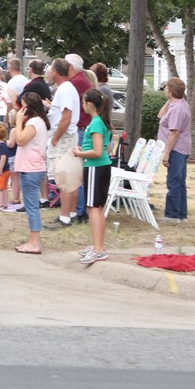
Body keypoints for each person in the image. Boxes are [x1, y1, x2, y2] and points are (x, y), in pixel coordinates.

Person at [73, 89, 113, 265]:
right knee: (97, 208)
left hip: (95, 167)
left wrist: (79, 154)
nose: (82, 105)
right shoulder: (100, 122)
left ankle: (98, 249)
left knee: (93, 208)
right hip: (101, 167)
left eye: (83, 102)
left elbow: (98, 151)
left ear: (90, 104)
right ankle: (99, 246)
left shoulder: (96, 123)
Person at [13, 92, 51, 255]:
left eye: (22, 105)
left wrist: (18, 122)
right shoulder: (40, 121)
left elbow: (20, 140)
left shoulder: (34, 122)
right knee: (31, 206)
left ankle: (34, 243)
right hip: (34, 167)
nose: (20, 109)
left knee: (32, 207)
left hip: (31, 168)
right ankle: (32, 240)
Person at [47, 59, 81, 228]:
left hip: (64, 138)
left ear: (55, 72)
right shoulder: (66, 89)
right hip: (67, 136)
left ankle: (65, 217)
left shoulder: (65, 90)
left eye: (50, 69)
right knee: (71, 176)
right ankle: (72, 213)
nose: (48, 73)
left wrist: (55, 137)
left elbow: (66, 116)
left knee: (64, 176)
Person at [158, 77, 191, 222]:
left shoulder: (177, 109)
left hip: (176, 149)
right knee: (179, 180)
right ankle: (181, 213)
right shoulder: (179, 104)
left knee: (174, 180)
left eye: (166, 88)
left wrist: (167, 153)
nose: (165, 90)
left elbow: (174, 132)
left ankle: (172, 214)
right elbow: (160, 115)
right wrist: (169, 100)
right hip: (181, 148)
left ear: (170, 91)